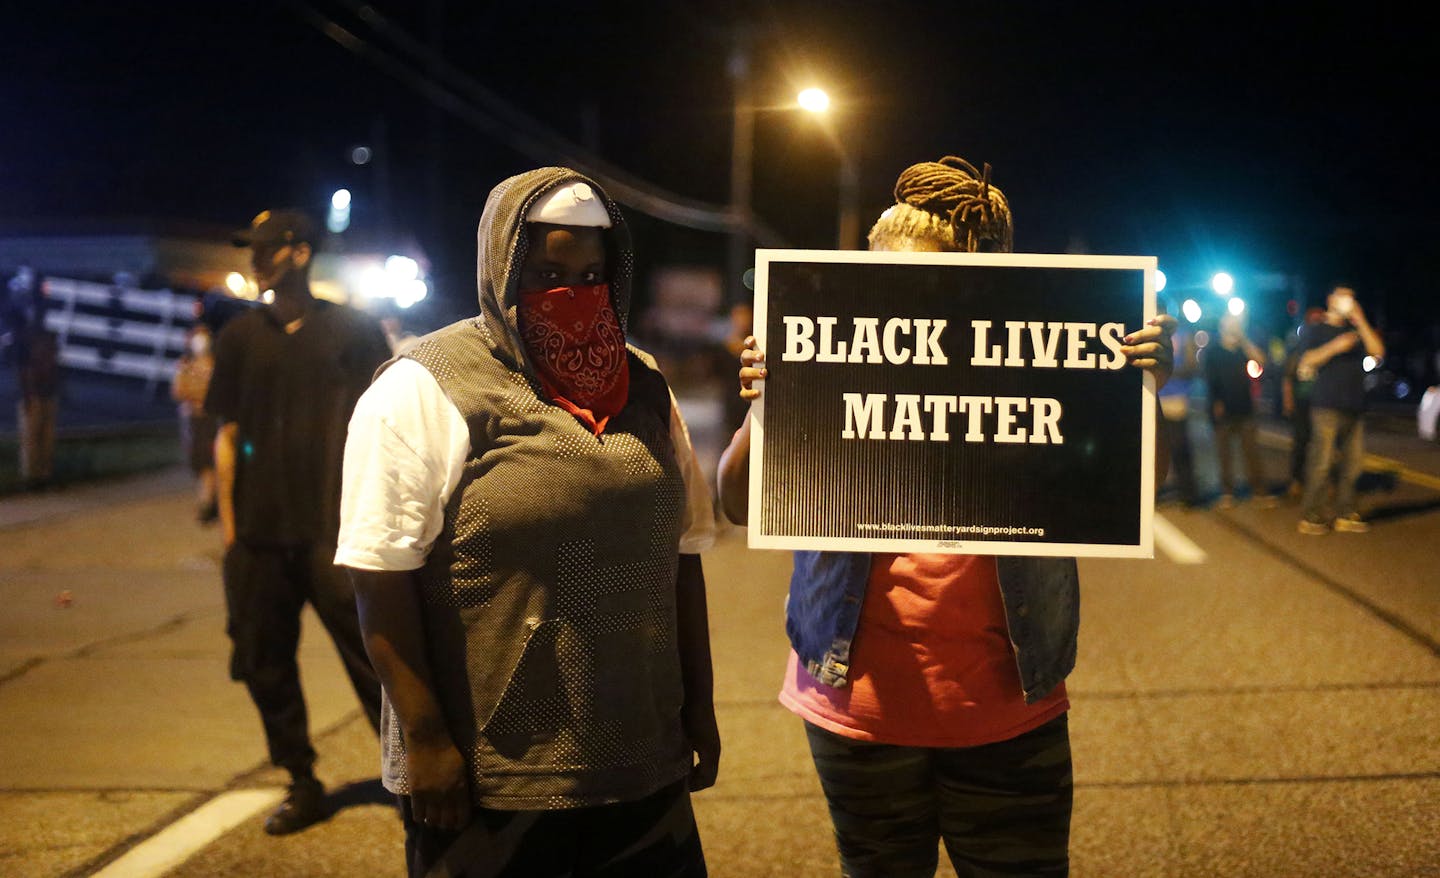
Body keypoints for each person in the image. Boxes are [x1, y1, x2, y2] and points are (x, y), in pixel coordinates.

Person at [716, 156, 1174, 877]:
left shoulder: (1039, 361)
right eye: (892, 280)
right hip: (859, 709)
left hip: (1009, 710)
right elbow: (738, 504)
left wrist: (1140, 394)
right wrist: (766, 405)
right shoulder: (833, 357)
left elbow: (1137, 492)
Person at [335, 168, 719, 878]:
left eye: (591, 272)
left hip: (641, 755)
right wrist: (426, 740)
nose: (571, 291)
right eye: (546, 270)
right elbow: (377, 575)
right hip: (497, 774)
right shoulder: (426, 386)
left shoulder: (643, 384)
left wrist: (699, 706)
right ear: (501, 264)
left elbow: (683, 557)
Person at [205, 208, 388, 835]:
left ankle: (418, 772)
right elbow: (227, 435)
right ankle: (301, 779)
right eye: (251, 250)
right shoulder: (237, 337)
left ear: (300, 254)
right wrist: (231, 534)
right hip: (258, 535)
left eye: (266, 249)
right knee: (264, 661)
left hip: (335, 532)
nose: (255, 261)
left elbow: (390, 428)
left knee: (379, 657)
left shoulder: (355, 331)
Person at [1295, 284, 1385, 534]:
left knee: (1353, 464)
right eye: (1343, 296)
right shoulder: (1316, 329)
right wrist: (1335, 347)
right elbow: (1306, 360)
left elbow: (1378, 351)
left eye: (1351, 297)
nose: (1348, 300)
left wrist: (1361, 320)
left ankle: (1346, 512)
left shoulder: (1355, 331)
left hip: (1354, 405)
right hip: (1326, 405)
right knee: (1321, 462)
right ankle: (1311, 514)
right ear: (1330, 299)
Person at [1203, 313, 1275, 508]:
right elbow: (1210, 380)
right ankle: (1227, 491)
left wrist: (1243, 339)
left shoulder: (1243, 350)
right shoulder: (1213, 351)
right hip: (1222, 409)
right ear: (1221, 326)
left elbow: (1262, 360)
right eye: (1230, 323)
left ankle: (1259, 490)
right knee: (1224, 453)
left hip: (1245, 408)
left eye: (1236, 324)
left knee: (1252, 451)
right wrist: (1216, 404)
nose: (1234, 326)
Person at [13, 271, 60, 491]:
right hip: (35, 392)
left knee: (43, 437)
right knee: (32, 437)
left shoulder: (46, 338)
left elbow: (53, 366)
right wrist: (27, 394)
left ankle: (41, 475)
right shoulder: (27, 337)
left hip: (45, 391)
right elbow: (23, 367)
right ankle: (33, 477)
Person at [171, 306, 218, 523]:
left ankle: (207, 503)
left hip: (207, 420)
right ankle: (208, 500)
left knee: (207, 463)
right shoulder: (186, 365)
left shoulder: (213, 365)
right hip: (193, 420)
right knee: (200, 464)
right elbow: (179, 390)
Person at [1281, 306, 1327, 499]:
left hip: (1324, 403)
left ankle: (1327, 482)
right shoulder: (1299, 349)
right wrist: (1288, 401)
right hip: (1302, 403)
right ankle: (1297, 480)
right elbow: (1288, 378)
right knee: (1300, 444)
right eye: (1313, 320)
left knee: (1325, 446)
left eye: (1320, 320)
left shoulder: (1328, 347)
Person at [1157, 316, 1200, 507]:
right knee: (1153, 449)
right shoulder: (1148, 334)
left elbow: (1192, 366)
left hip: (1176, 399)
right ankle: (1154, 492)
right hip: (1154, 398)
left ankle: (1188, 493)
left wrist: (1165, 369)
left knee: (1180, 448)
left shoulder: (1182, 335)